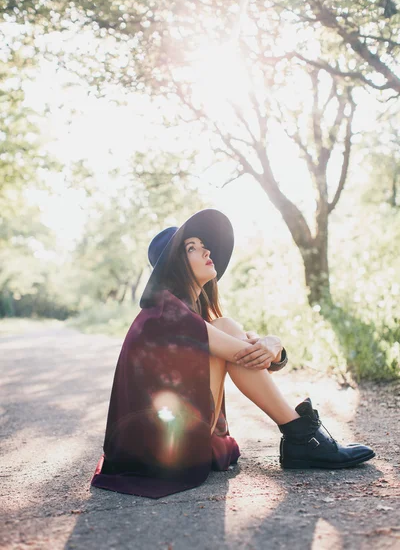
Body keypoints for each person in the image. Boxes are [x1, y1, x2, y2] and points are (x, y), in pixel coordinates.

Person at [91, 209, 374, 499]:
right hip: (157, 453)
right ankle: (301, 436)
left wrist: (272, 345)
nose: (206, 251)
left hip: (168, 441)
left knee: (226, 325)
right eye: (192, 248)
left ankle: (299, 437)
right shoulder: (166, 311)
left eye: (203, 245)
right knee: (228, 328)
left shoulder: (186, 314)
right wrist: (272, 345)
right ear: (175, 265)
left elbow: (249, 350)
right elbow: (246, 354)